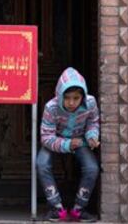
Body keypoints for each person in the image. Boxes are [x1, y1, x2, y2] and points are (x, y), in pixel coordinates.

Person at [37, 67, 100, 222]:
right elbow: (46, 137)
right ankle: (56, 208)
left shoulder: (90, 103)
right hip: (55, 139)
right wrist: (67, 144)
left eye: (76, 98)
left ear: (83, 97)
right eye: (67, 98)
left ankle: (79, 208)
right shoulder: (51, 107)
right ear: (60, 95)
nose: (71, 103)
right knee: (41, 163)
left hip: (80, 140)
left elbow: (93, 122)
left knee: (92, 167)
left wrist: (92, 136)